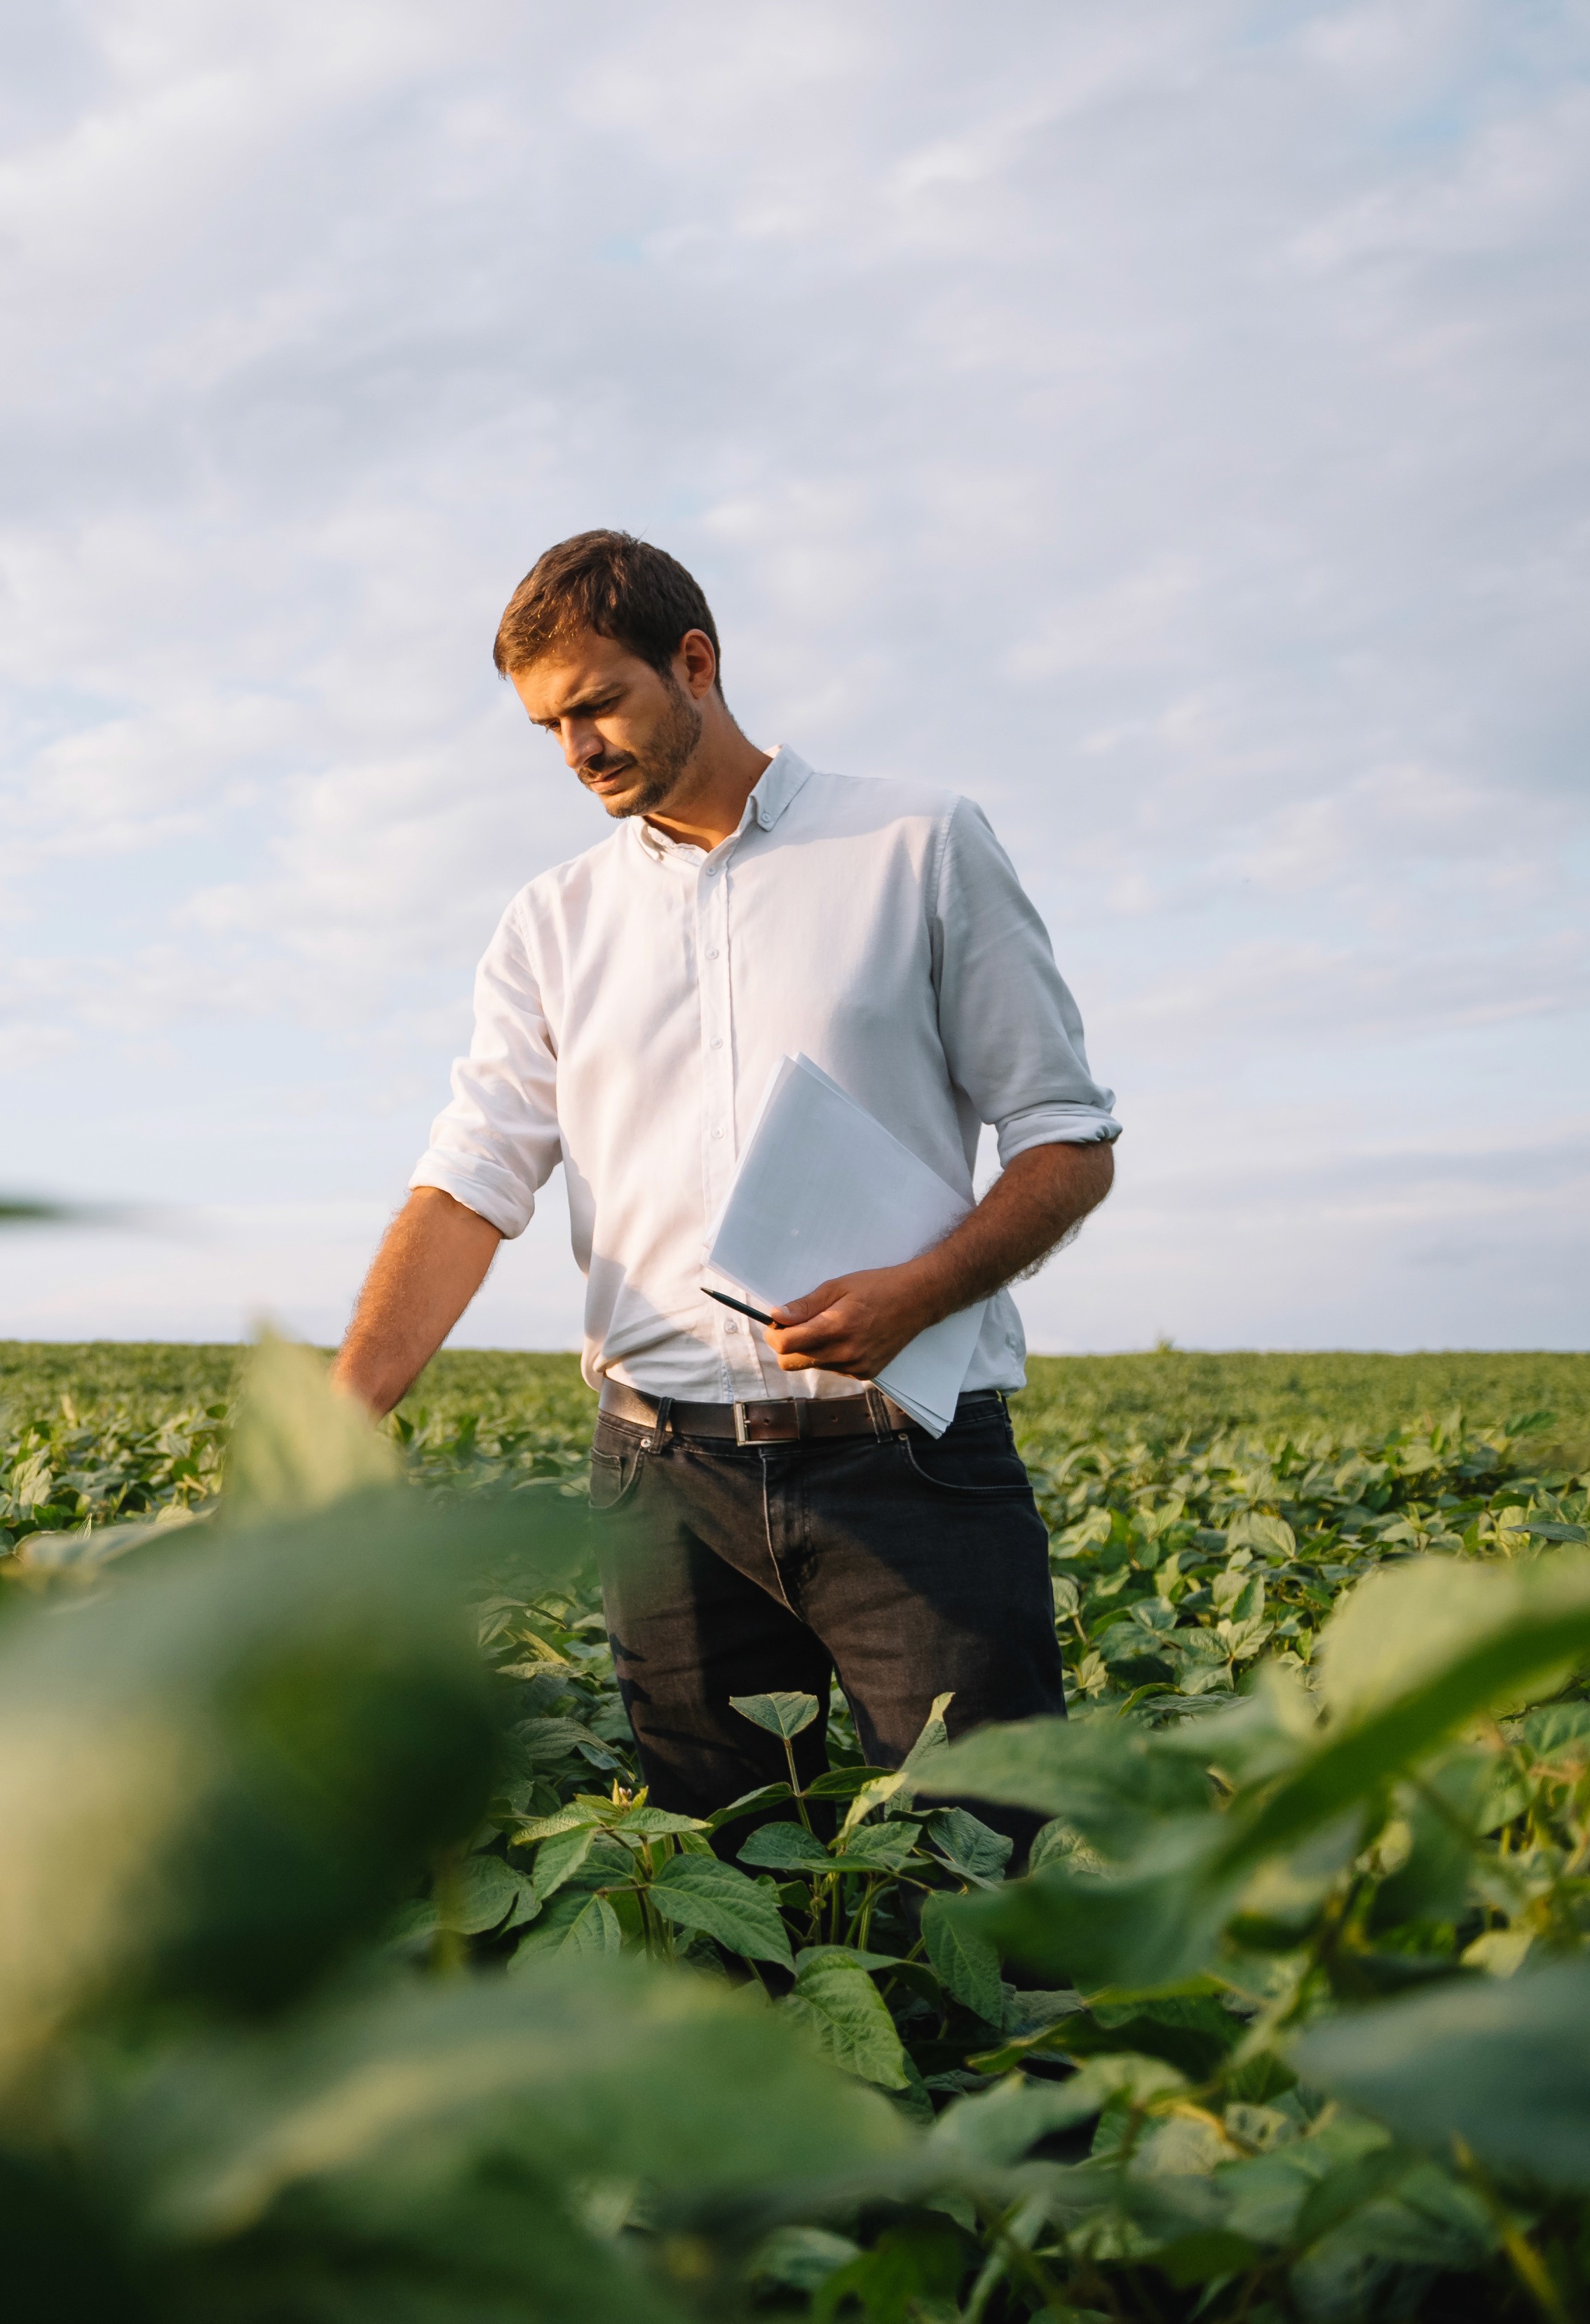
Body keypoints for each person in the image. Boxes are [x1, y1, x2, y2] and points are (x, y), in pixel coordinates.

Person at [329, 530, 1117, 1814]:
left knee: (992, 1883)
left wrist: (919, 1290)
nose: (577, 750)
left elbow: (1067, 1141)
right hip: (663, 1490)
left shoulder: (918, 844)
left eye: (598, 704)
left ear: (693, 663)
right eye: (549, 728)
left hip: (910, 1466)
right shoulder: (552, 923)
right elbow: (472, 1178)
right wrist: (340, 1413)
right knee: (717, 1897)